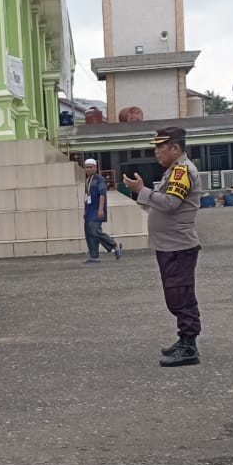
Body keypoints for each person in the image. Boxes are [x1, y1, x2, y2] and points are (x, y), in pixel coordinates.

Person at [124, 127, 204, 367]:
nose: (157, 152)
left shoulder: (182, 171)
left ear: (176, 148)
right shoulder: (173, 171)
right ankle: (184, 340)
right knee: (176, 294)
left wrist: (142, 191)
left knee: (181, 294)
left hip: (178, 246)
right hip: (170, 245)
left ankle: (189, 346)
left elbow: (170, 203)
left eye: (161, 147)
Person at [82, 159, 122, 263]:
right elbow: (87, 197)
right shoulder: (87, 180)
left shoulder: (99, 179)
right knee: (89, 233)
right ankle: (94, 256)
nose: (89, 169)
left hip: (96, 210)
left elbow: (102, 194)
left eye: (91, 167)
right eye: (87, 167)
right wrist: (85, 211)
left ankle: (113, 245)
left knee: (95, 231)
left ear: (95, 168)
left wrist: (100, 209)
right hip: (89, 211)